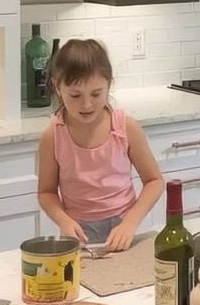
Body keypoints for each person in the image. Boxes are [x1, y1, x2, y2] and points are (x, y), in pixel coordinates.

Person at [37, 38, 164, 251]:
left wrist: (131, 222)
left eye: (96, 93)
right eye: (75, 95)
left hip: (127, 226)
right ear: (57, 87)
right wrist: (64, 221)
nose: (86, 104)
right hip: (78, 231)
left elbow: (154, 181)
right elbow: (46, 193)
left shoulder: (126, 128)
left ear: (109, 85)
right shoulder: (53, 136)